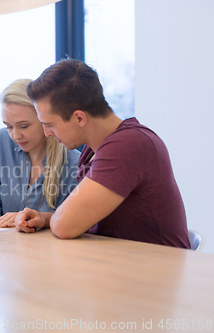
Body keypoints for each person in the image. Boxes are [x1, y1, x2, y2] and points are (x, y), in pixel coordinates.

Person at [15, 59, 190, 249]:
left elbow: (65, 226)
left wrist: (56, 220)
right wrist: (45, 218)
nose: (47, 133)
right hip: (121, 265)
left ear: (79, 117)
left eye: (49, 124)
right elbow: (82, 221)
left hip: (156, 272)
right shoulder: (92, 151)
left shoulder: (129, 145)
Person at [0, 79, 80, 227]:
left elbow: (73, 219)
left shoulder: (74, 163)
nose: (15, 136)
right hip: (2, 245)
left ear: (44, 119)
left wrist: (39, 220)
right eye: (9, 126)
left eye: (24, 126)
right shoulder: (1, 141)